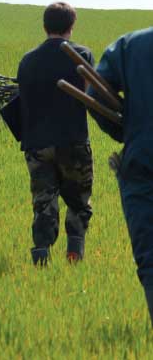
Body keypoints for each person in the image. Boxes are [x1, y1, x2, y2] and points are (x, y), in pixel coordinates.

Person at [16, 2, 94, 265]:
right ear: (71, 27)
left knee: (43, 202)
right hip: (73, 140)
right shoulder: (82, 55)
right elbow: (89, 96)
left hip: (37, 144)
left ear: (44, 26)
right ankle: (74, 254)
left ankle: (41, 256)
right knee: (78, 200)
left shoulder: (27, 60)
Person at [87, 26, 153, 324]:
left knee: (151, 259)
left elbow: (94, 93)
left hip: (143, 164)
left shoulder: (129, 46)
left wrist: (125, 133)